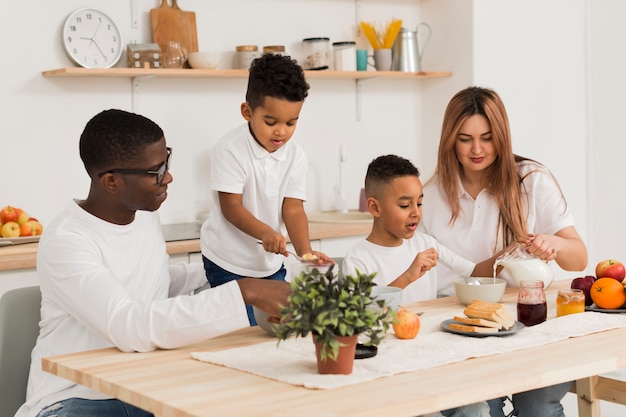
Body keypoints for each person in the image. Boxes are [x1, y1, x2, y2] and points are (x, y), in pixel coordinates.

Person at [16, 109, 291, 417]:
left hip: (141, 388)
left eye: (166, 163)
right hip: (74, 399)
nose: (168, 177)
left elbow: (154, 282)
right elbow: (129, 325)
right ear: (111, 181)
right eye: (156, 171)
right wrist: (246, 291)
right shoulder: (67, 241)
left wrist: (234, 265)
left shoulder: (144, 217)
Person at [419, 86, 588, 417]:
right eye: (465, 138)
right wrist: (501, 260)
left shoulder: (531, 180)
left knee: (538, 406)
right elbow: (433, 285)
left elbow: (579, 256)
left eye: (487, 137)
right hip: (466, 332)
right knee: (482, 407)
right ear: (450, 139)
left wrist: (554, 244)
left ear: (502, 136)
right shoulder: (431, 196)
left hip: (533, 323)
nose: (477, 149)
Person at [342, 154, 492, 417]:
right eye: (404, 205)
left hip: (433, 356)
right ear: (375, 208)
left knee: (477, 406)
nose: (416, 213)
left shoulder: (424, 243)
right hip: (388, 365)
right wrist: (408, 276)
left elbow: (474, 272)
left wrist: (513, 253)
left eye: (420, 203)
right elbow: (361, 318)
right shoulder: (359, 258)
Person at [200, 53, 331, 325]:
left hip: (270, 265)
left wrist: (306, 253)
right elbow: (231, 208)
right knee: (244, 332)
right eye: (271, 122)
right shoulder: (230, 150)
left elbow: (293, 209)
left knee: (276, 331)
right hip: (228, 263)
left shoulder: (296, 156)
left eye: (291, 122)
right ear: (248, 112)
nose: (281, 131)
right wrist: (266, 232)